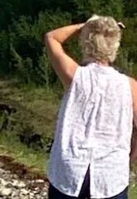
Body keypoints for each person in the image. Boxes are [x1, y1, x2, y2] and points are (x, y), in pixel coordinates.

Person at [44, 15, 137, 199]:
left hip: (69, 170)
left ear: (86, 44)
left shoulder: (74, 76)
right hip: (111, 174)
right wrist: (129, 157)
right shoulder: (131, 86)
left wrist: (83, 26)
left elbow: (51, 37)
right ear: (115, 47)